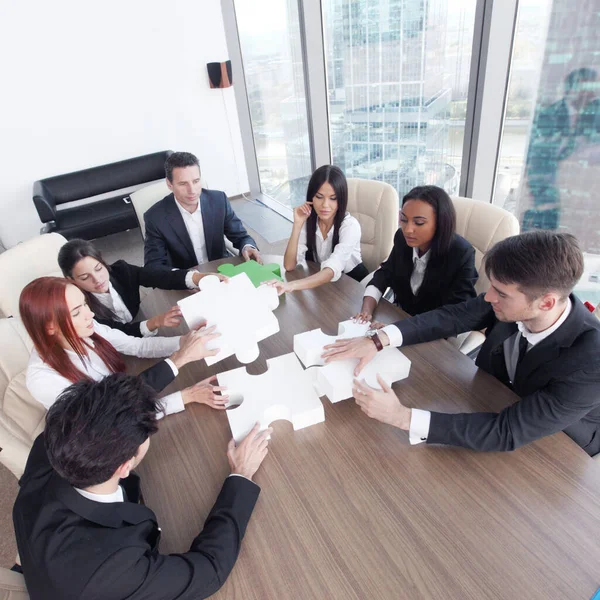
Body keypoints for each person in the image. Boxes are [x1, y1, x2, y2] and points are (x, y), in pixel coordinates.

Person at [322, 231, 600, 456]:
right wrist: (379, 340)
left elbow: (507, 431)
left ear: (547, 302)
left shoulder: (592, 359)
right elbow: (451, 317)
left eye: (500, 293)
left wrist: (402, 418)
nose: (489, 298)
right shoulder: (511, 300)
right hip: (492, 399)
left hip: (560, 447)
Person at [13, 373, 272, 599]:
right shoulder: (115, 569)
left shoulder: (48, 446)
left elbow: (111, 407)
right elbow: (209, 570)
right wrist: (241, 474)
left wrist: (184, 395)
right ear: (124, 467)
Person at [20, 277, 229, 414]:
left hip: (133, 405)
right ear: (49, 327)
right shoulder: (44, 380)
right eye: (76, 312)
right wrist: (185, 391)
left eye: (85, 304)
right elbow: (112, 416)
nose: (90, 314)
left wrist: (183, 342)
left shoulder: (86, 328)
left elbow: (137, 346)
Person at [354, 185, 477, 322]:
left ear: (440, 223)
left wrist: (400, 330)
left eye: (418, 223)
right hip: (399, 318)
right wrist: (366, 310)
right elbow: (384, 274)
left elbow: (455, 313)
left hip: (434, 333)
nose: (408, 230)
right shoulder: (402, 239)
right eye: (404, 220)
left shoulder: (461, 253)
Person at [58, 238, 226, 338]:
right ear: (71, 280)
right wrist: (156, 322)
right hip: (117, 347)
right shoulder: (79, 307)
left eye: (99, 269)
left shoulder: (122, 271)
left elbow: (158, 276)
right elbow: (119, 333)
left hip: (140, 326)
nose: (97, 280)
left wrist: (198, 277)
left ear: (103, 261)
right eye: (85, 278)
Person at [144, 151, 261, 269]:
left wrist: (247, 247)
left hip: (221, 271)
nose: (192, 190)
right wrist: (187, 279)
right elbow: (154, 265)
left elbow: (240, 236)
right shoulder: (155, 217)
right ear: (169, 184)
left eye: (196, 181)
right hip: (184, 280)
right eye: (183, 184)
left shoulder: (219, 200)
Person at [267, 165, 367, 294]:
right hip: (324, 286)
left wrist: (291, 285)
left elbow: (332, 268)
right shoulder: (309, 222)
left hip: (352, 286)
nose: (325, 205)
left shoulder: (350, 226)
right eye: (319, 197)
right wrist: (297, 224)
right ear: (311, 198)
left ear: (341, 199)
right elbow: (289, 265)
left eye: (333, 198)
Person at [524, 68, 600, 231]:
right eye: (587, 89)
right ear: (572, 89)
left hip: (577, 192)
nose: (592, 94)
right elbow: (537, 160)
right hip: (548, 191)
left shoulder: (593, 116)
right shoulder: (548, 116)